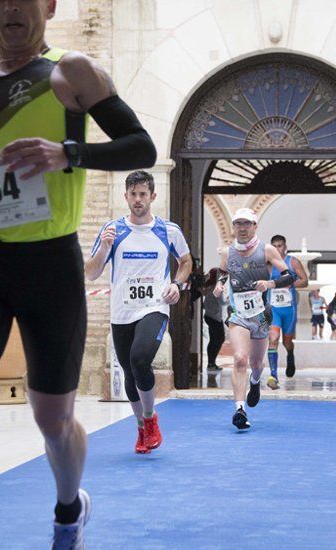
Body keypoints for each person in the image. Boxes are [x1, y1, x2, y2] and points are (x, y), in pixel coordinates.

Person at [0, 1, 156, 547]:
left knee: (53, 423)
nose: (15, 6)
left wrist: (69, 154)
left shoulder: (72, 73)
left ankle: (69, 506)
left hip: (51, 265)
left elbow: (141, 146)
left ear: (51, 6)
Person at [85, 171, 191, 454]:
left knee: (140, 358)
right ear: (126, 197)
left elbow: (186, 261)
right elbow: (91, 273)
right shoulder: (113, 231)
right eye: (133, 194)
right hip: (122, 312)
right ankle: (141, 426)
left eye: (143, 194)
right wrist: (104, 247)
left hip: (155, 306)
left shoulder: (168, 230)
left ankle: (150, 418)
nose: (138, 199)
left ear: (152, 196)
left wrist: (177, 284)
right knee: (130, 375)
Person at [213, 208, 293, 430]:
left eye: (246, 223)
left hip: (261, 315)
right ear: (234, 227)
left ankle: (255, 381)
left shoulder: (266, 250)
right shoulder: (228, 253)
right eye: (238, 223)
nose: (242, 227)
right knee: (239, 359)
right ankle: (239, 409)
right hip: (238, 313)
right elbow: (222, 272)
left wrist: (270, 284)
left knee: (256, 363)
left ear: (255, 226)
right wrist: (220, 284)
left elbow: (290, 276)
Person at [265, 235, 308, 389]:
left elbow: (305, 280)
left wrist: (291, 283)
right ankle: (273, 375)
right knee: (274, 338)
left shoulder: (293, 261)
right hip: (274, 308)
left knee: (287, 342)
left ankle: (290, 355)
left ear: (285, 247)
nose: (277, 249)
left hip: (289, 309)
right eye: (274, 246)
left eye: (280, 245)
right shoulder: (268, 265)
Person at [203, 268, 226, 372]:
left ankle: (211, 363)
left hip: (210, 315)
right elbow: (222, 302)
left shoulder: (208, 287)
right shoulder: (216, 288)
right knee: (219, 339)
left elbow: (205, 304)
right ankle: (211, 363)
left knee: (214, 340)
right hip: (215, 317)